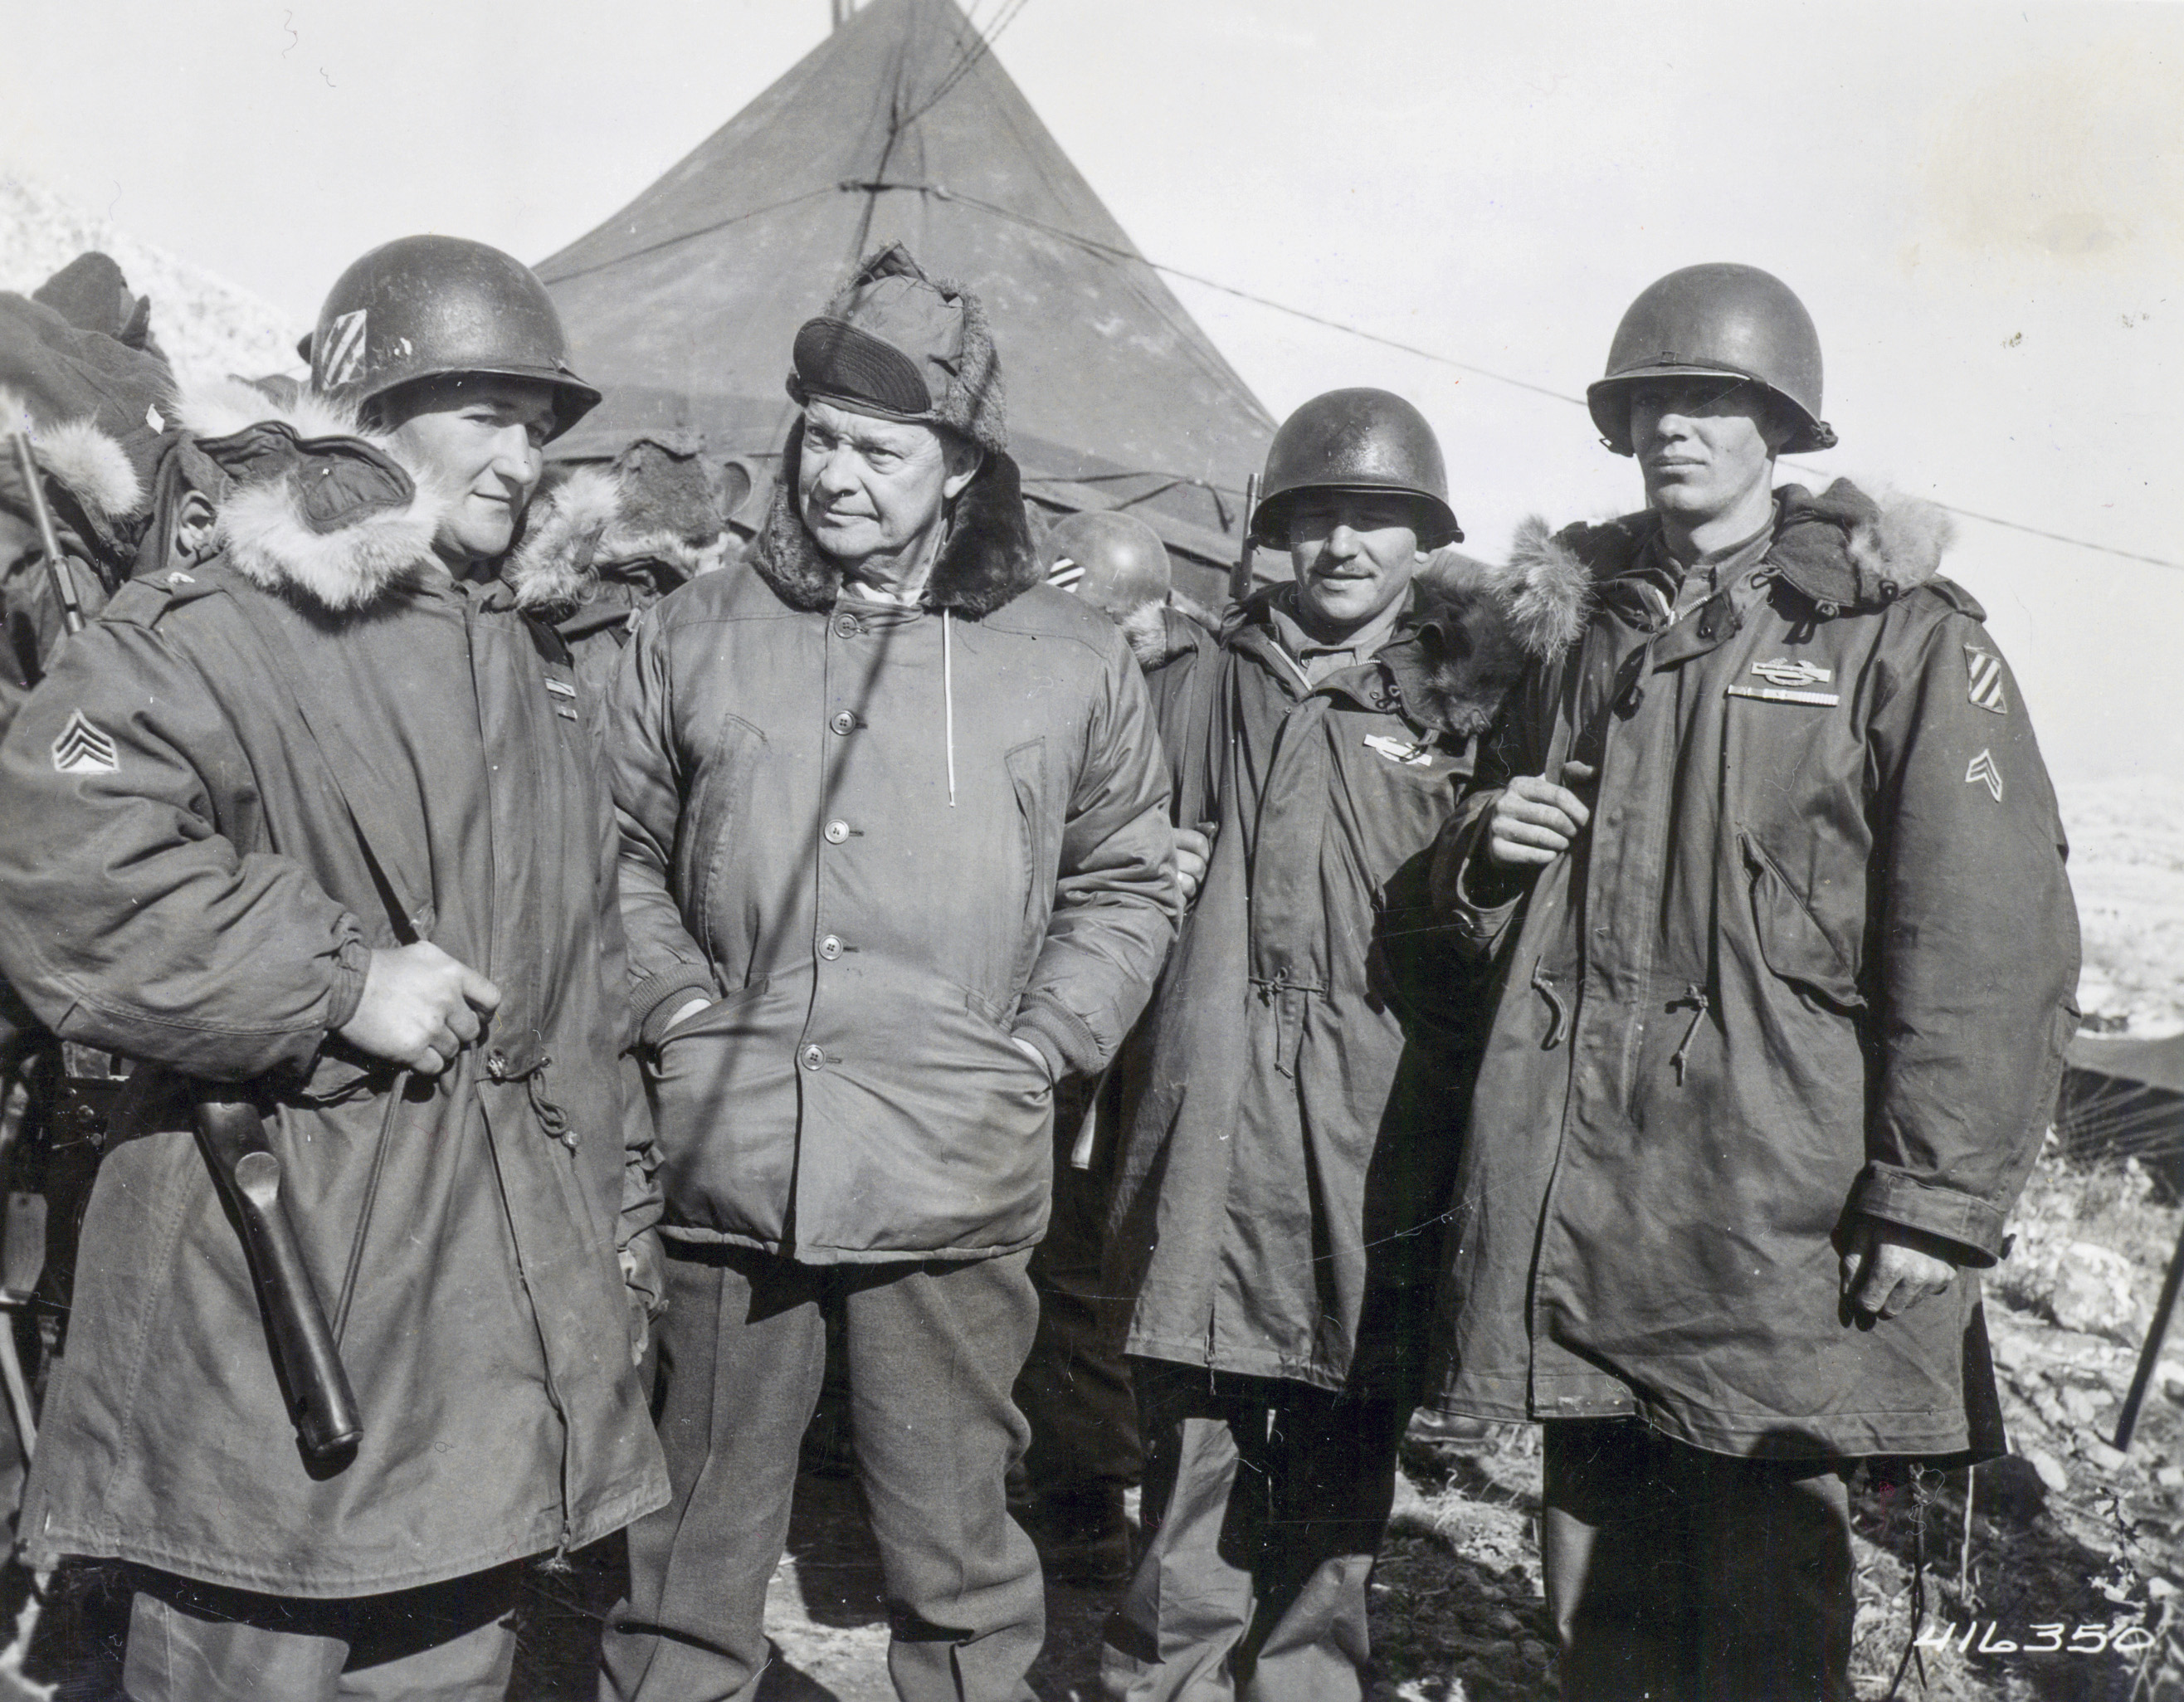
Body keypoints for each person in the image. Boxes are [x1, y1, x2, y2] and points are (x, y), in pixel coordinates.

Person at [0, 234, 670, 1701]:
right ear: (374, 403)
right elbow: (54, 839)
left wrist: (619, 1223)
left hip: (487, 1352)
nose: (522, 452)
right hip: (274, 1330)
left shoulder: (537, 662)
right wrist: (335, 980)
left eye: (539, 424)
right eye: (486, 410)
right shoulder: (212, 630)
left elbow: (582, 988)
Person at [1423, 263, 2079, 1700]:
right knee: (1598, 1598)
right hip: (1587, 1194)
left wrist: (1936, 1200)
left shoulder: (1898, 638)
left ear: (1778, 429)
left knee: (1768, 1599)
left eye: (1715, 401)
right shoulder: (1587, 630)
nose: (1678, 428)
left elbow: (1988, 936)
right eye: (1654, 400)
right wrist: (1487, 850)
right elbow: (1483, 868)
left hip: (1776, 1202)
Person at [597, 244, 1177, 1702]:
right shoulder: (694, 631)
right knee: (686, 1565)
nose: (835, 475)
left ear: (964, 467)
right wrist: (677, 1016)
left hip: (957, 1169)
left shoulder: (1071, 657)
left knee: (960, 1566)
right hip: (730, 1164)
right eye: (820, 439)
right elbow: (606, 856)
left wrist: (1040, 1050)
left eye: (880, 448)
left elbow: (1123, 879)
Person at [1100, 389, 1519, 1701]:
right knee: (1190, 1479)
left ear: (1424, 543)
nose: (1345, 547)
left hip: (1373, 1142)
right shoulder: (1187, 680)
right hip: (1209, 1136)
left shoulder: (1472, 711)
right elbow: (1088, 842)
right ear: (1279, 533)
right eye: (1320, 517)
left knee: (1340, 1486)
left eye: (1379, 521)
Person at [1012, 509, 1217, 1583]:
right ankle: (1068, 1475)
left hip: (1152, 1000)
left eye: (1134, 632)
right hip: (1046, 983)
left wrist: (1184, 855)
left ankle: (1090, 1487)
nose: (1119, 651)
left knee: (1092, 1250)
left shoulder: (1200, 685)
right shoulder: (1034, 668)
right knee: (1046, 1243)